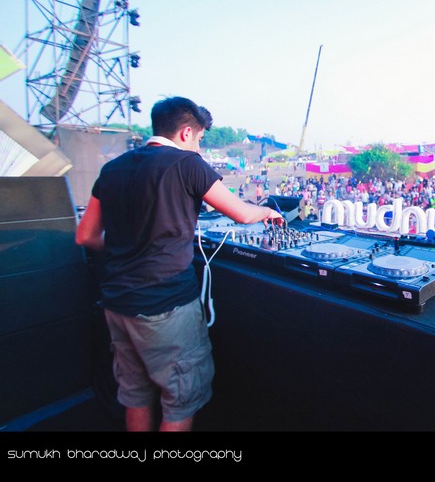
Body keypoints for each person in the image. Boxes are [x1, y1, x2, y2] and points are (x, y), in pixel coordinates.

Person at [76, 97, 282, 432]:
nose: (199, 147)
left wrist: (124, 249)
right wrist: (268, 211)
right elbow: (243, 214)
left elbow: (85, 235)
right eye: (199, 139)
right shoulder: (188, 163)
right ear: (186, 133)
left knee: (136, 395)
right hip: (166, 304)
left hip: (117, 304)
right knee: (180, 401)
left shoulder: (112, 168)